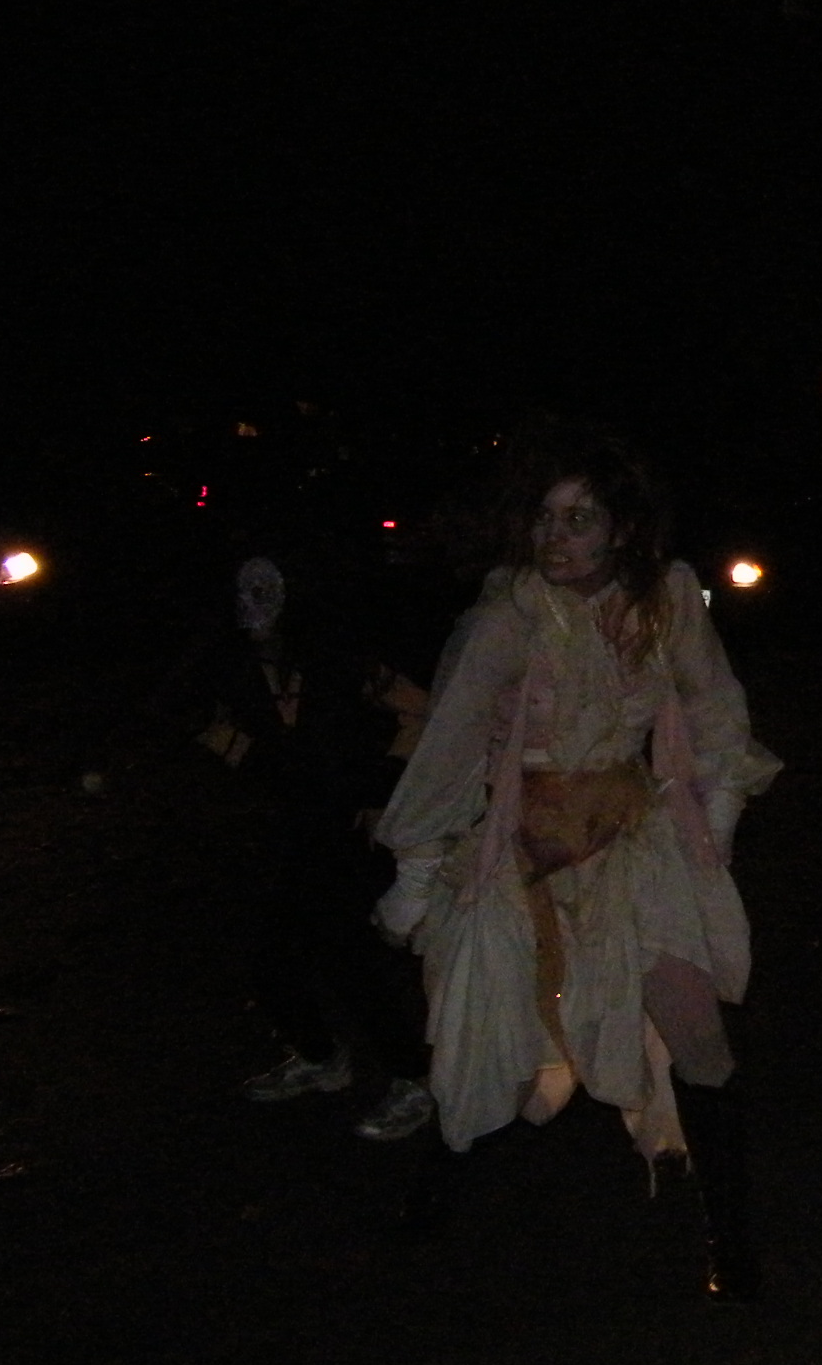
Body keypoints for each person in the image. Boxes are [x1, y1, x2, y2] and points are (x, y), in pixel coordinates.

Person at [371, 430, 781, 1299]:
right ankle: (430, 1202)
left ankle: (732, 1242)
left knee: (698, 1033)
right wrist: (418, 870)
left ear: (621, 529)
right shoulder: (509, 617)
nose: (555, 538)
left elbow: (715, 712)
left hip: (634, 843)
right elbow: (448, 747)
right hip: (525, 853)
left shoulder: (665, 600)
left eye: (580, 520)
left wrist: (717, 821)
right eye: (546, 519)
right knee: (500, 1045)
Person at [185, 554, 436, 1142]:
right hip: (284, 828)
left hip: (346, 828)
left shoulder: (338, 657)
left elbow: (422, 712)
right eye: (244, 591)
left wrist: (380, 789)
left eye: (266, 590)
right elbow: (195, 721)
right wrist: (250, 759)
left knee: (344, 952)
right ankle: (321, 1055)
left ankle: (411, 1077)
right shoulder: (225, 664)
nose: (255, 605)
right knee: (268, 953)